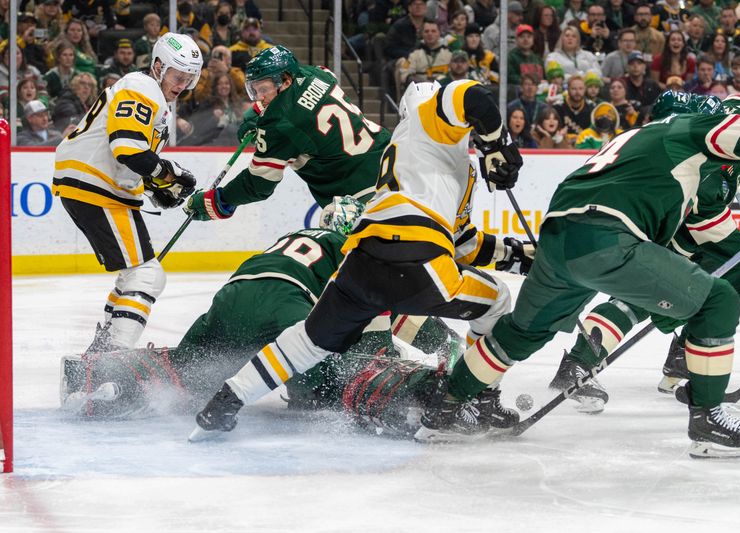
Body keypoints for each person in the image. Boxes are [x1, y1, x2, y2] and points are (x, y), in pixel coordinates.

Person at [444, 92, 740, 457]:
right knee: (718, 299)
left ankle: (444, 405)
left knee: (521, 333)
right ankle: (708, 420)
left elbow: (706, 222)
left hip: (558, 236)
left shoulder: (636, 140)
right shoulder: (689, 131)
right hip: (608, 237)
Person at [191, 79, 525, 441]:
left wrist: (517, 254)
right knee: (498, 302)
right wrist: (498, 145)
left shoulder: (423, 156)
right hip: (418, 258)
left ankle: (227, 399)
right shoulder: (429, 123)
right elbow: (475, 95)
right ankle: (470, 399)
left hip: (363, 258)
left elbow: (464, 244)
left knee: (309, 341)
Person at [51, 33, 202, 352]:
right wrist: (168, 173)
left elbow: (132, 155)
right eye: (178, 76)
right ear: (159, 66)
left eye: (188, 79)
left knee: (136, 274)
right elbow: (128, 148)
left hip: (98, 186)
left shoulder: (150, 95)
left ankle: (104, 348)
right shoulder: (141, 87)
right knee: (147, 275)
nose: (181, 85)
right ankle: (110, 356)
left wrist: (157, 183)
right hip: (96, 186)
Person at [184, 45, 391, 222]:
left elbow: (259, 183)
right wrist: (259, 113)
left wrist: (219, 201)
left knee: (342, 242)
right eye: (254, 91)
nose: (259, 98)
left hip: (361, 193)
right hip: (391, 158)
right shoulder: (314, 74)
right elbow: (329, 74)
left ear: (285, 80)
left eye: (263, 89)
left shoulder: (280, 124)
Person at [397, 19, 452, 88]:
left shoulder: (449, 54)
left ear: (439, 34)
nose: (430, 34)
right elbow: (405, 74)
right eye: (426, 31)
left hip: (443, 88)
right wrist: (424, 83)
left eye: (433, 31)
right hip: (420, 89)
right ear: (422, 34)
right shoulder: (413, 54)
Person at [554, 74, 594, 143]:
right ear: (568, 89)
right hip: (563, 145)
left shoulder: (591, 107)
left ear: (585, 90)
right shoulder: (558, 107)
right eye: (574, 89)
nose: (577, 92)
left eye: (580, 88)